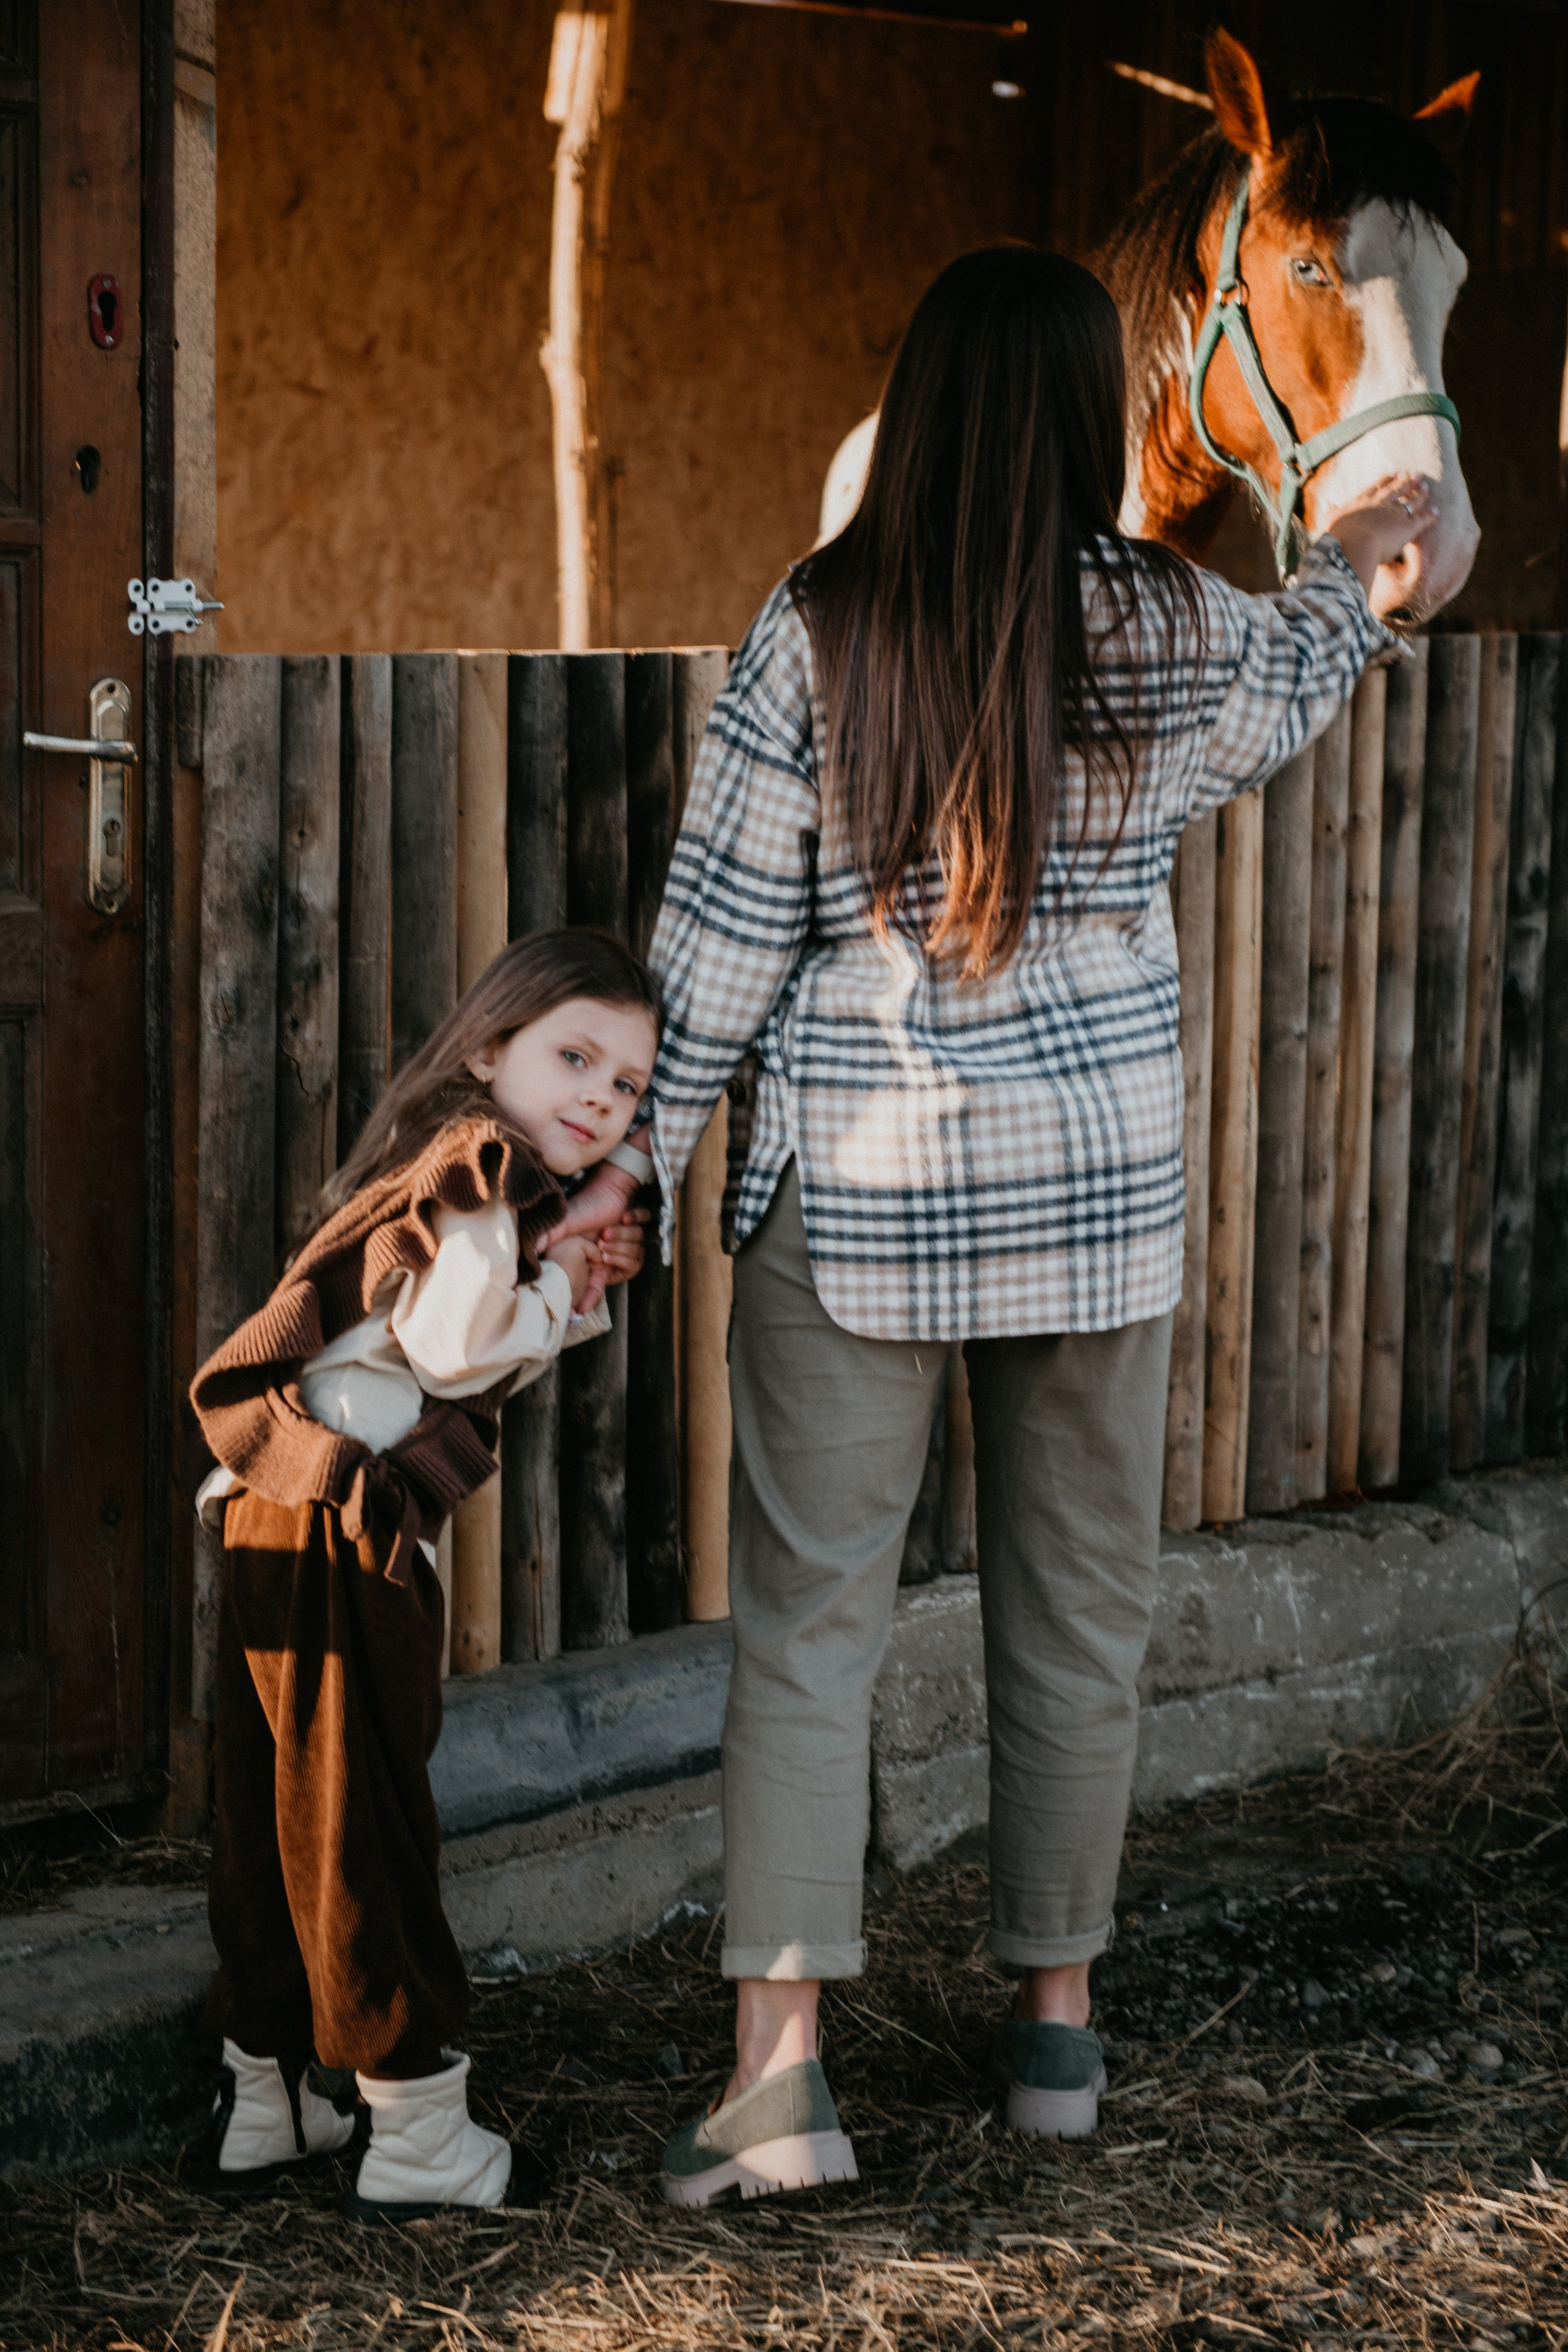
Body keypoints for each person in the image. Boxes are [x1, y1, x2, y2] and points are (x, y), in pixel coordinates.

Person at [638, 246, 1435, 2206]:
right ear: (1094, 415)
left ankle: (785, 2079)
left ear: (913, 405)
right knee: (1081, 1615)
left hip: (865, 1198)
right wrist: (1369, 569)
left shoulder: (814, 630)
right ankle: (1057, 2036)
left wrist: (618, 1183)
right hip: (1096, 1210)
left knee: (815, 1637)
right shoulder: (1175, 621)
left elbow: (716, 956)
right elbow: (1313, 664)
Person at [187, 927, 658, 2221]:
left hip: (269, 1505)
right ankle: (413, 2134)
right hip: (346, 1527)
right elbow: (455, 1350)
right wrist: (561, 1280)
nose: (598, 1098)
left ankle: (267, 2097)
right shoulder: (482, 1169)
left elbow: (426, 1339)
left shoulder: (435, 1161)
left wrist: (565, 1257)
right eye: (573, 1057)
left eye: (625, 1086)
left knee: (272, 1813)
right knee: (364, 1824)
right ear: (489, 1048)